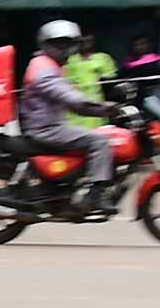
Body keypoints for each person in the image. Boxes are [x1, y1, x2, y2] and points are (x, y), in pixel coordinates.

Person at [22, 19, 118, 215]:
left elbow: (72, 101)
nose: (65, 49)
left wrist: (98, 109)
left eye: (68, 44)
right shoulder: (43, 67)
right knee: (99, 141)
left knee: (97, 135)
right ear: (47, 45)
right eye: (59, 44)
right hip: (45, 128)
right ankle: (95, 195)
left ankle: (69, 187)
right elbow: (69, 97)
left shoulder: (53, 65)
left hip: (53, 124)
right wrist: (102, 107)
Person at [64, 28, 117, 128]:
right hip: (76, 103)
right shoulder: (70, 60)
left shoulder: (103, 58)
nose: (85, 43)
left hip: (97, 102)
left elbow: (110, 83)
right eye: (82, 41)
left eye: (88, 40)